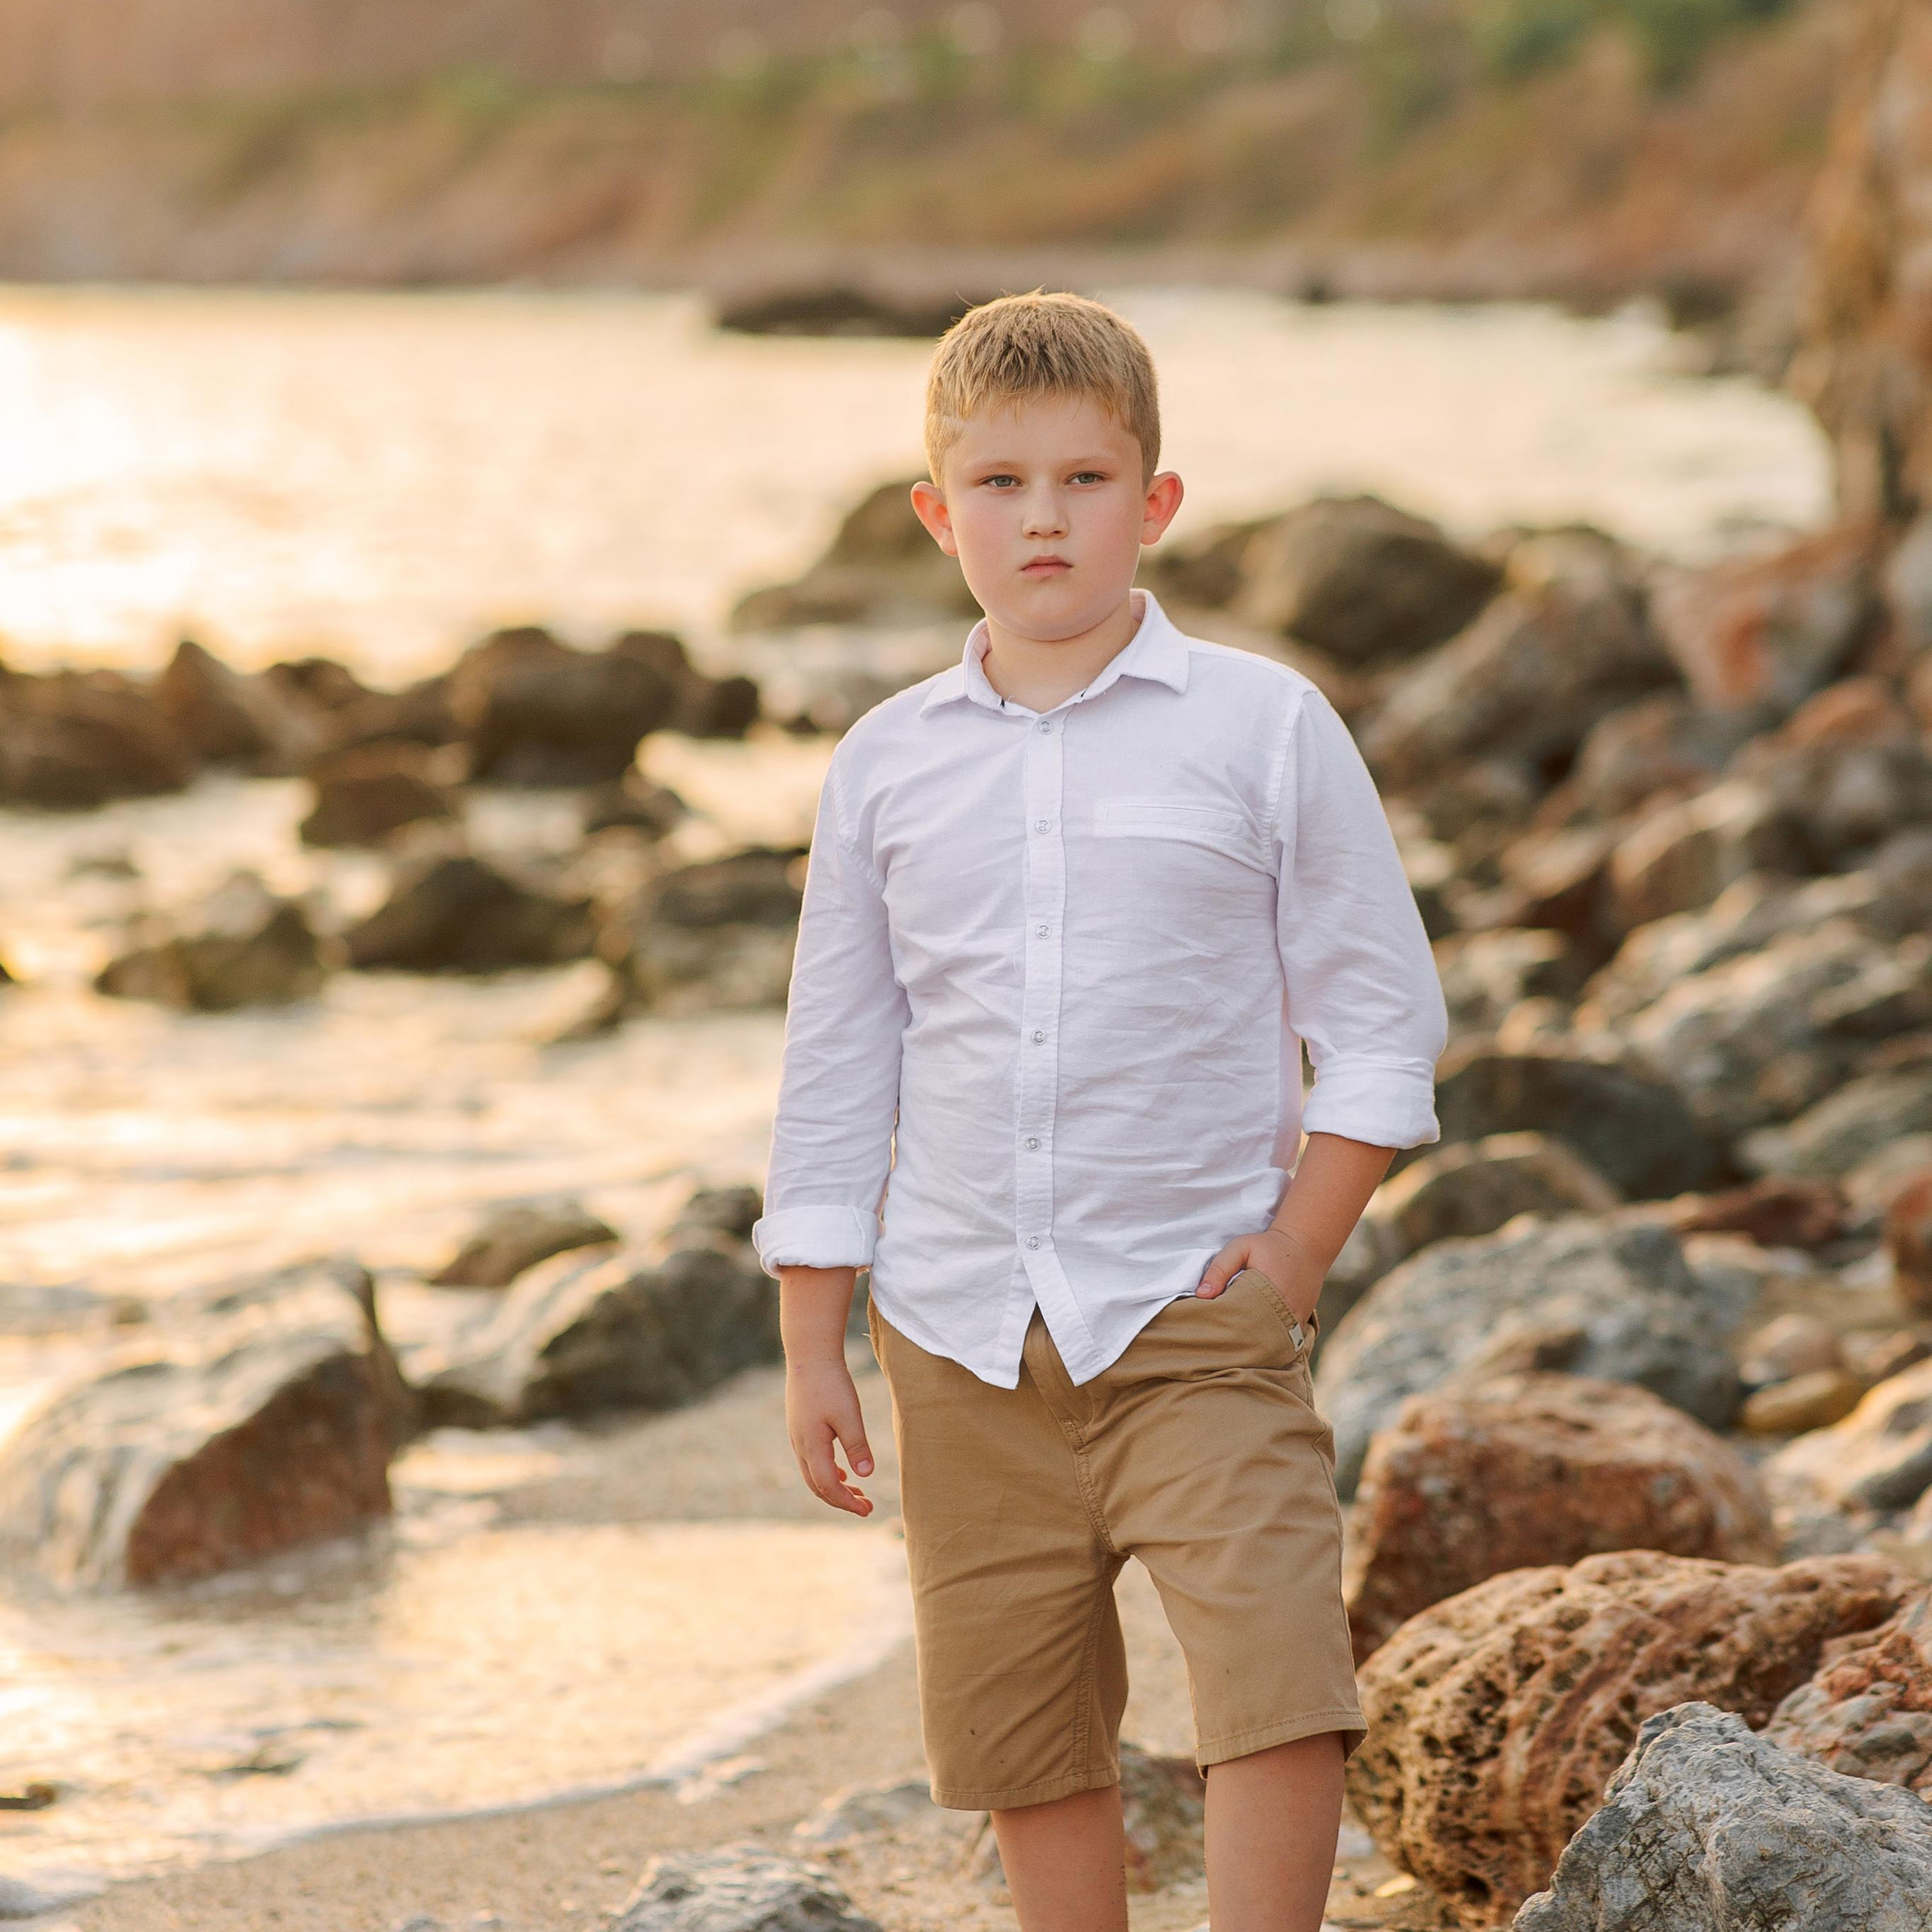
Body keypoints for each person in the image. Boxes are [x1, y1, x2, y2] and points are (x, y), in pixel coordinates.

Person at [751, 290, 1447, 1932]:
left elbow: (1377, 1019)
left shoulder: (1260, 726)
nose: (1041, 516)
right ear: (935, 513)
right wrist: (810, 1332)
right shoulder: (884, 764)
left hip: (1195, 1310)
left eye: (1081, 479)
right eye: (997, 484)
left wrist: (1291, 1259)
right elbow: (839, 1056)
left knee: (1274, 1674)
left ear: (1154, 502)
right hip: (957, 1332)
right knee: (1019, 1722)